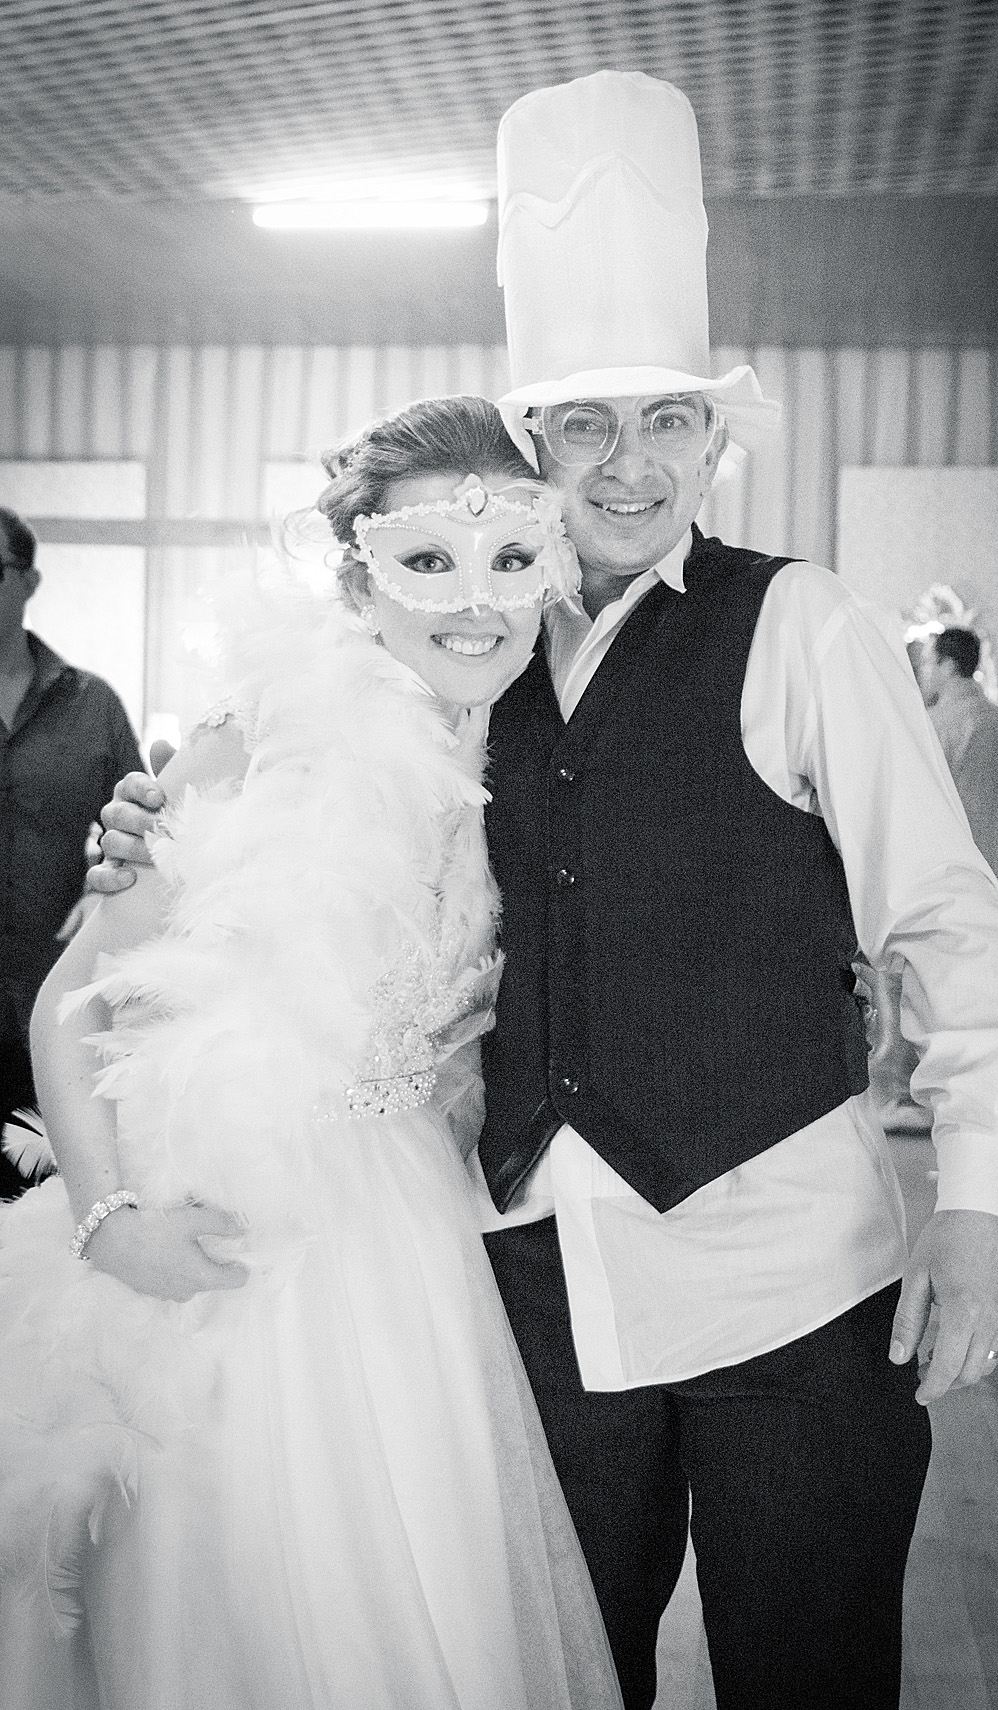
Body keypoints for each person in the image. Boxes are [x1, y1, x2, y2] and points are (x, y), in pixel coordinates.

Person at [99, 73, 998, 1710]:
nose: (627, 467)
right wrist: (165, 828)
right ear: (530, 446)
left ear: (711, 434)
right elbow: (300, 828)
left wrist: (975, 1205)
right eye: (584, 424)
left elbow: (945, 924)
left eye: (666, 419)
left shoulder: (801, 623)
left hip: (793, 1299)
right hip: (526, 1300)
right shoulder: (452, 644)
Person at [0, 398, 620, 1710]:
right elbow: (72, 999)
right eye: (427, 561)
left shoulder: (522, 746)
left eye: (511, 558)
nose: (475, 602)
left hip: (412, 1227)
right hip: (238, 1237)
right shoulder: (268, 736)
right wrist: (112, 1221)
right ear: (356, 575)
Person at [0, 506, 142, 1198]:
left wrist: (102, 883)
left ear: (28, 580)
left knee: (47, 1213)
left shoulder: (93, 705)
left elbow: (146, 842)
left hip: (51, 1009)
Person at [924, 626, 998, 897]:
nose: (925, 672)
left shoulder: (932, 725)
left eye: (929, 662)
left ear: (948, 665)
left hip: (948, 871)